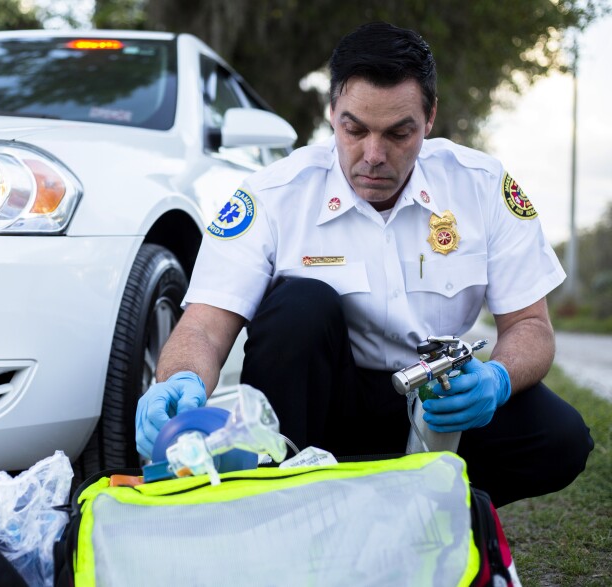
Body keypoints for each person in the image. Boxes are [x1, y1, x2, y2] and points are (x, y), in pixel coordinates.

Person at [135, 21, 594, 507]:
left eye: (399, 133)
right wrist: (180, 378)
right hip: (322, 405)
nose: (373, 156)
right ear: (332, 112)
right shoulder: (274, 196)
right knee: (299, 303)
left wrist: (496, 379)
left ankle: (431, 505)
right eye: (355, 129)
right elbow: (204, 327)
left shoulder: (479, 187)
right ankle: (286, 501)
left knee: (561, 438)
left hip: (435, 402)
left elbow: (531, 327)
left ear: (430, 117)